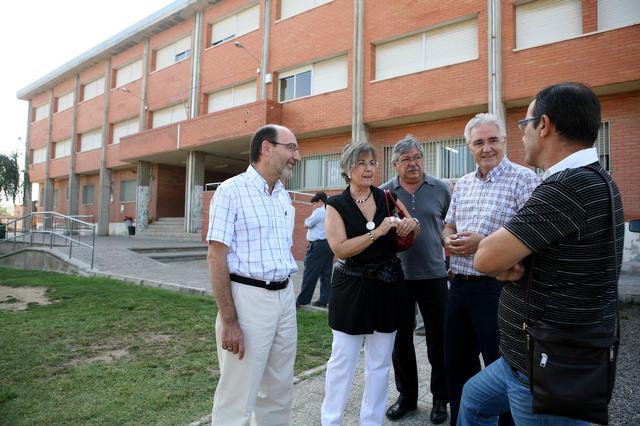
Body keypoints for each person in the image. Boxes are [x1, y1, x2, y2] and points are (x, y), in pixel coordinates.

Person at [459, 82, 623, 425]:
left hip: (547, 369)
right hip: (527, 359)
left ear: (544, 125)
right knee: (473, 400)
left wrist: (505, 260)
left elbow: (485, 258)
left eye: (525, 124)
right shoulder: (593, 179)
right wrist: (512, 260)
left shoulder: (566, 188)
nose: (522, 135)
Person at [441, 113, 540, 425]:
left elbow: (532, 241)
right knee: (456, 365)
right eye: (479, 142)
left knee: (503, 369)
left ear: (505, 141)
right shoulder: (463, 184)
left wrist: (481, 244)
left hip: (499, 289)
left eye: (493, 140)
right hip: (459, 287)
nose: (487, 148)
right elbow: (449, 224)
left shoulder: (525, 180)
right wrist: (447, 238)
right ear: (469, 147)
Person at [206, 124, 301, 425]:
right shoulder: (230, 191)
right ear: (266, 148)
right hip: (248, 301)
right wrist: (229, 320)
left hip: (284, 298)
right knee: (237, 397)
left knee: (279, 391)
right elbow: (216, 257)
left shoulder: (283, 197)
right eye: (291, 147)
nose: (297, 156)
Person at [320, 142, 420, 425]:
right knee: (342, 361)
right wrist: (378, 231)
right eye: (361, 163)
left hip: (387, 286)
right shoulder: (335, 205)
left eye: (372, 163)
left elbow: (413, 228)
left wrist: (411, 226)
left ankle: (372, 421)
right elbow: (340, 248)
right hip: (351, 288)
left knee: (380, 363)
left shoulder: (387, 197)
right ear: (347, 168)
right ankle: (331, 421)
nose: (368, 168)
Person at [380, 136, 451, 423]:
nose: (413, 163)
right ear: (395, 164)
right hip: (398, 277)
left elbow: (449, 225)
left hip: (435, 275)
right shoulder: (384, 193)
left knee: (439, 341)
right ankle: (407, 397)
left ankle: (441, 399)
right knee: (400, 342)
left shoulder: (441, 189)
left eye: (418, 157)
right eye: (406, 159)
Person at [296, 191, 333, 308]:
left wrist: (314, 211)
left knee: (310, 273)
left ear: (320, 201)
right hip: (329, 244)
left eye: (315, 203)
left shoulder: (319, 211)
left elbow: (306, 224)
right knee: (326, 274)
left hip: (317, 246)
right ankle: (324, 301)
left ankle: (302, 301)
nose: (314, 206)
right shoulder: (330, 210)